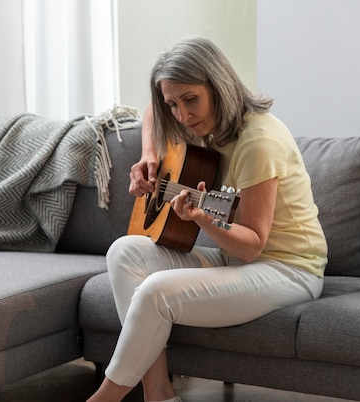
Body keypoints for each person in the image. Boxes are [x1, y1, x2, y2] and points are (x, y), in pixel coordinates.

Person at [86, 36, 327, 402]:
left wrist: (203, 220)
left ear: (217, 85)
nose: (182, 116)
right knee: (124, 252)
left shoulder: (258, 141)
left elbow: (251, 247)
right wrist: (149, 154)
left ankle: (103, 398)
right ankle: (158, 393)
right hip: (235, 259)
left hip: (287, 269)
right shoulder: (203, 123)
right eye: (174, 104)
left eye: (190, 100)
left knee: (154, 291)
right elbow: (153, 111)